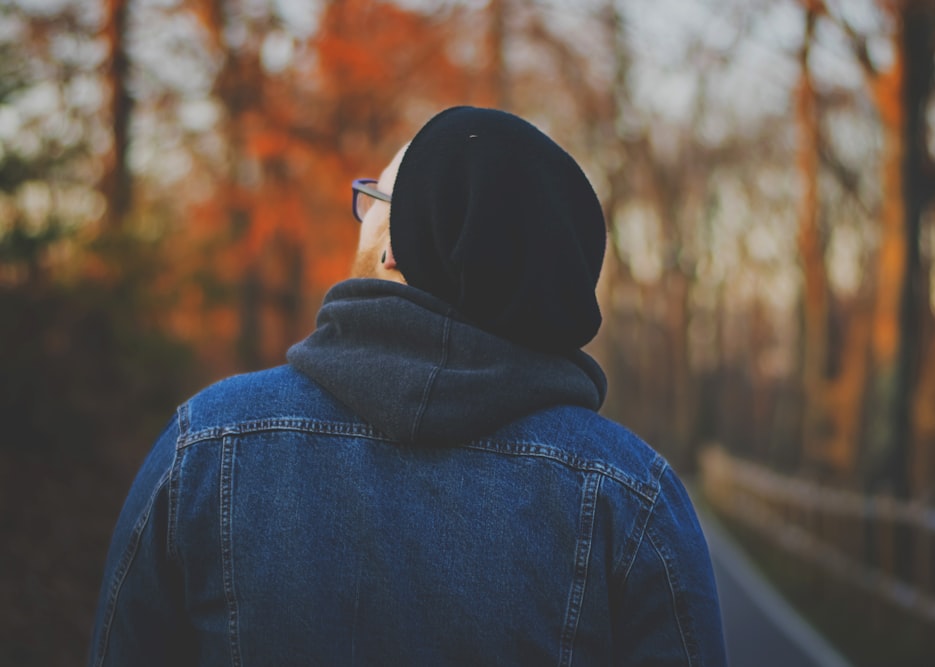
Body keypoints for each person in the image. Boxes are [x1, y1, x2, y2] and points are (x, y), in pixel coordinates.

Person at [88, 106, 727, 666]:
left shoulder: (206, 445)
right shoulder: (631, 497)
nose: (362, 212)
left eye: (376, 198)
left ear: (395, 246)